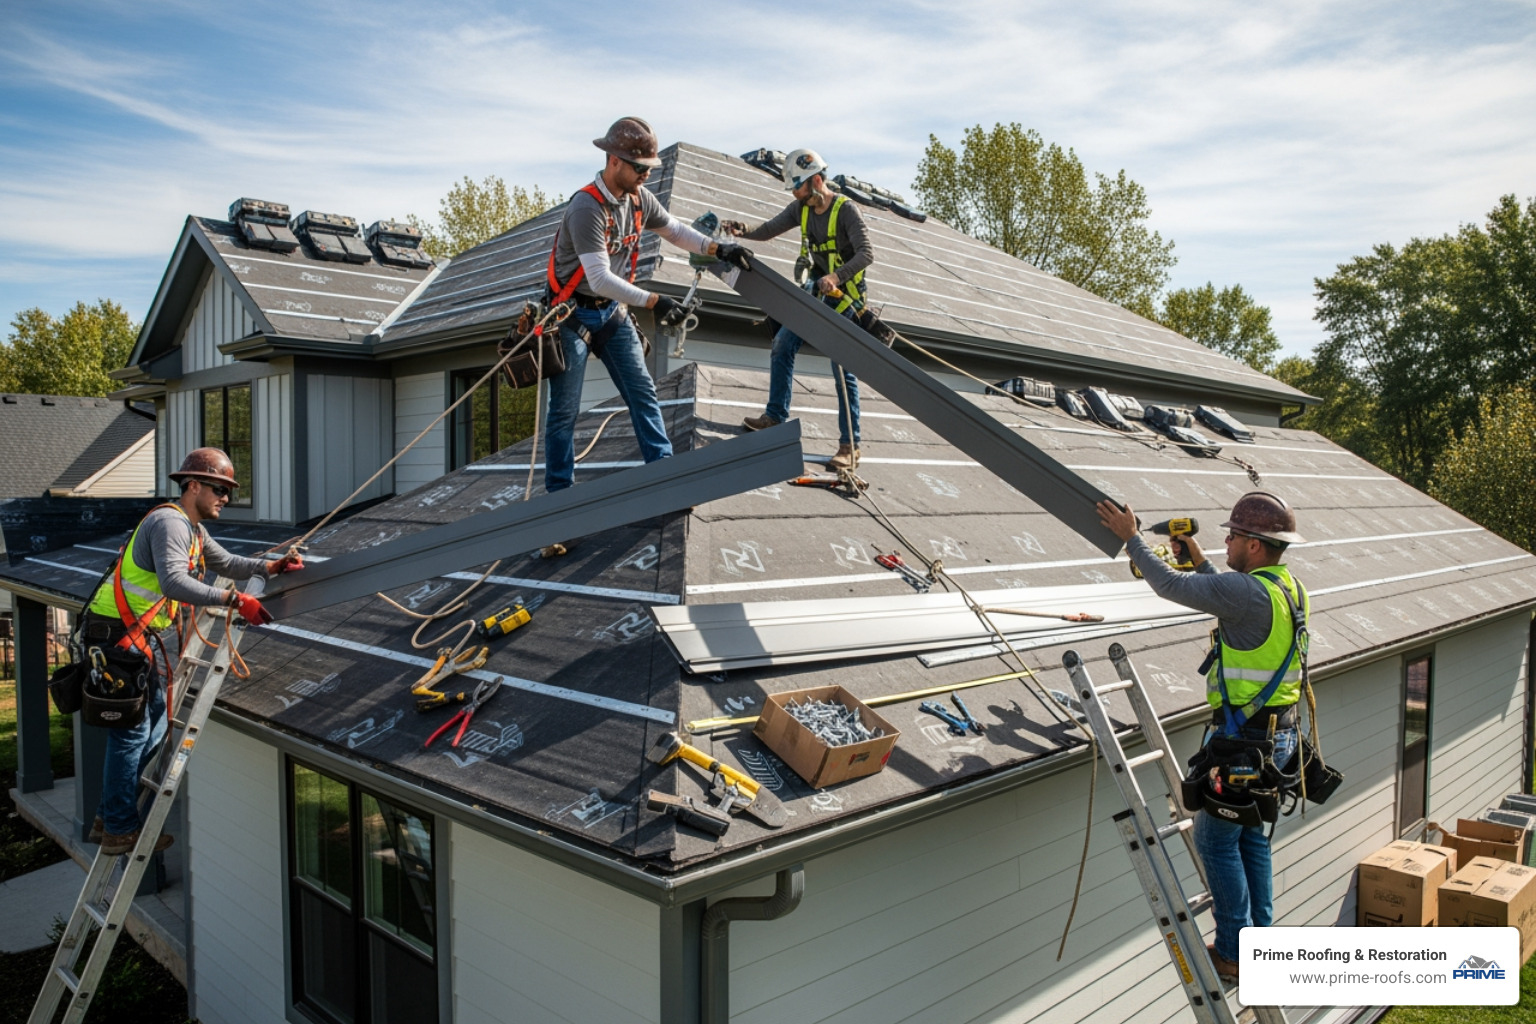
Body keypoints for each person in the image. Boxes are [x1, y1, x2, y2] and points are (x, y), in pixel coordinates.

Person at [1095, 491, 1308, 983]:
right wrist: (1207, 563)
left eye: (1233, 535)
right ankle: (1260, 944)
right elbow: (1236, 600)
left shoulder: (1244, 591)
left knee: (1215, 843)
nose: (1227, 540)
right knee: (1251, 838)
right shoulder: (1287, 587)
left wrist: (1131, 539)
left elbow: (1170, 584)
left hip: (1246, 744)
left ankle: (1233, 952)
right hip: (1278, 740)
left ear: (1255, 545)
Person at [81, 447, 299, 855]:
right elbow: (174, 584)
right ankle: (119, 830)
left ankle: (108, 816)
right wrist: (235, 602)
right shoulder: (170, 524)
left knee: (156, 726)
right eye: (219, 488)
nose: (226, 498)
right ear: (193, 485)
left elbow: (229, 563)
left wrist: (269, 568)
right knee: (130, 736)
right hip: (116, 637)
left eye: (228, 491)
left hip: (131, 640)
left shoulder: (193, 530)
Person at [543, 116, 750, 500]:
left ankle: (664, 473)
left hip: (610, 313)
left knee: (642, 392)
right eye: (640, 168)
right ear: (614, 161)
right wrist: (654, 301)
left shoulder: (639, 199)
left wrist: (716, 248)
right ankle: (559, 496)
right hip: (570, 314)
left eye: (649, 169)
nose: (645, 175)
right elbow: (600, 278)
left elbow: (674, 230)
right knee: (564, 412)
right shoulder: (587, 207)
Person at [725, 148, 874, 471]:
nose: (795, 194)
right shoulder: (800, 209)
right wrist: (743, 229)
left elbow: (866, 254)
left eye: (799, 187)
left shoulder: (846, 211)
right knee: (782, 344)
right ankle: (775, 417)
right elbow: (768, 229)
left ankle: (850, 446)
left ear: (817, 181)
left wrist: (836, 276)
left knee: (842, 368)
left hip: (846, 297)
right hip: (818, 294)